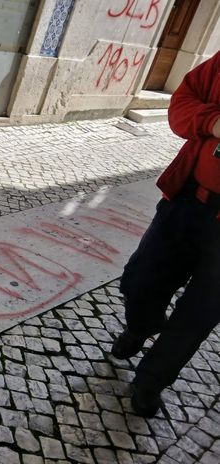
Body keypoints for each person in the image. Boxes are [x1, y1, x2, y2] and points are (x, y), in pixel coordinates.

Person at [111, 52, 220, 417]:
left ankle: (150, 381)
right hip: (188, 199)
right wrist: (214, 122)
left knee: (199, 313)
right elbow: (182, 104)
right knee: (141, 279)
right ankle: (141, 327)